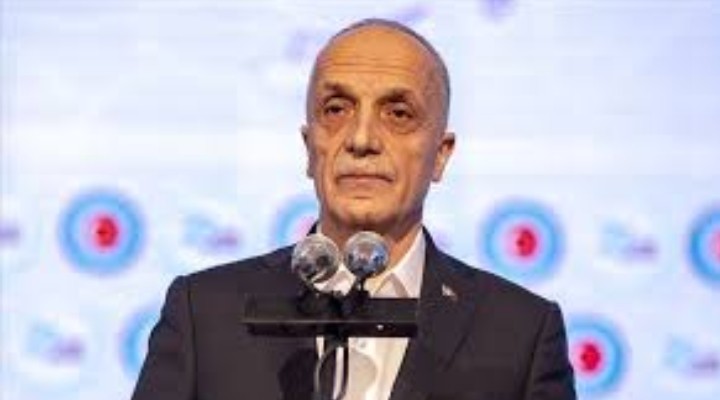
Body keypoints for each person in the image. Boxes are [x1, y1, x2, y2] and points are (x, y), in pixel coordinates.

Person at [131, 18, 576, 400]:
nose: (362, 139)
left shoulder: (521, 332)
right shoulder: (205, 312)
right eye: (336, 109)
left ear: (440, 155)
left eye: (398, 114)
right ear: (310, 147)